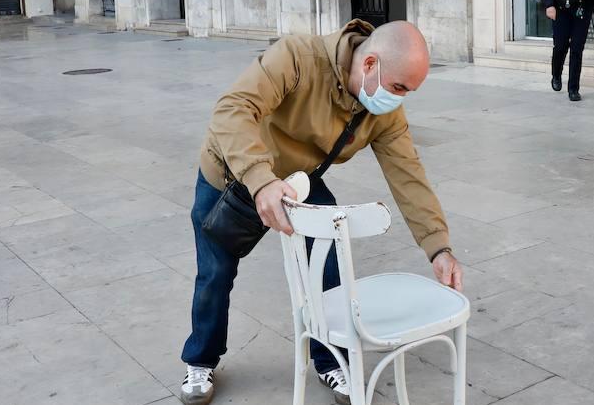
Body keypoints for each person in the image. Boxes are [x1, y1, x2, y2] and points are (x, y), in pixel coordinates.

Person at [180, 20, 463, 405]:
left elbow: (408, 173)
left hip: (300, 181)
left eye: (408, 92)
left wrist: (438, 246)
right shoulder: (298, 58)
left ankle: (331, 361)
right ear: (369, 65)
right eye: (398, 87)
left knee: (330, 269)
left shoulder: (382, 111)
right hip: (234, 172)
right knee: (215, 274)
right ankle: (200, 360)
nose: (400, 99)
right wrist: (260, 180)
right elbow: (233, 109)